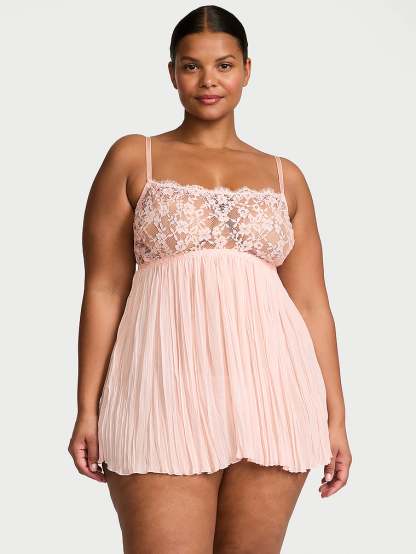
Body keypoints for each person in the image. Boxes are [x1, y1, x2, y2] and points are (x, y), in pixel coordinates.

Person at [68, 5, 352, 553]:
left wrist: (336, 417)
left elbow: (312, 302)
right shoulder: (135, 157)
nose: (208, 81)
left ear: (247, 69)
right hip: (159, 388)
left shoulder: (285, 176)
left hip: (273, 393)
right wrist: (86, 407)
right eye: (191, 66)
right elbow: (103, 289)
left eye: (223, 65)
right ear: (172, 73)